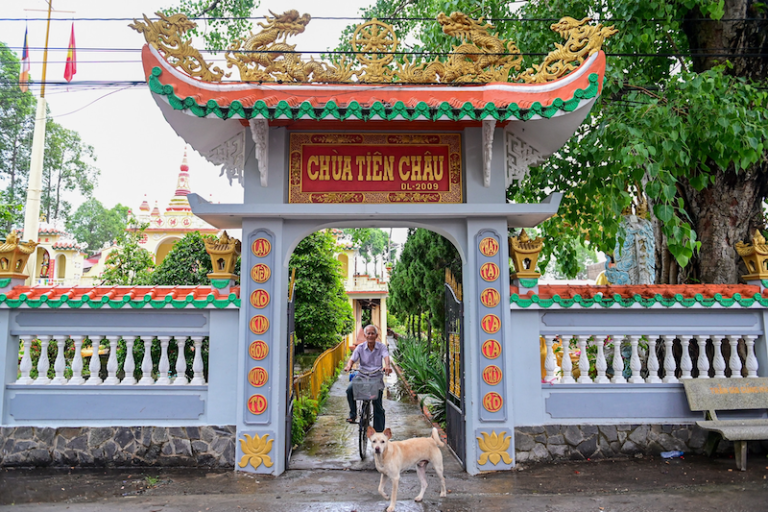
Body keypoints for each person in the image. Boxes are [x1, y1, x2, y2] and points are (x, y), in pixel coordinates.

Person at [344, 324, 392, 432]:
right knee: (349, 390)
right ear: (365, 335)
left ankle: (379, 433)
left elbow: (386, 357)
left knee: (377, 406)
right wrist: (349, 366)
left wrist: (387, 366)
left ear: (376, 335)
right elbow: (352, 359)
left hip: (376, 378)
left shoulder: (382, 347)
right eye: (368, 333)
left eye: (372, 333)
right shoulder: (360, 348)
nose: (370, 335)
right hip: (362, 376)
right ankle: (353, 414)